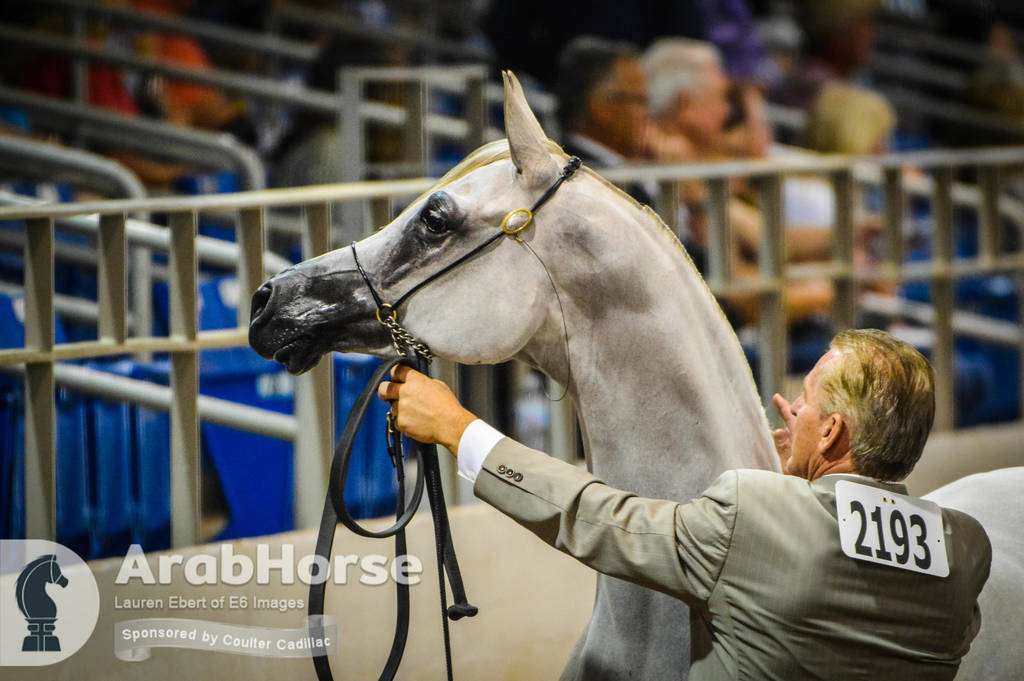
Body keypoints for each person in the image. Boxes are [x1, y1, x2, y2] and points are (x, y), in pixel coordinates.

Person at [378, 328, 991, 680]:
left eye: (805, 402)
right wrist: (806, 474)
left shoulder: (753, 511)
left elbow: (595, 517)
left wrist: (459, 428)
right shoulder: (964, 549)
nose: (791, 410)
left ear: (832, 435)